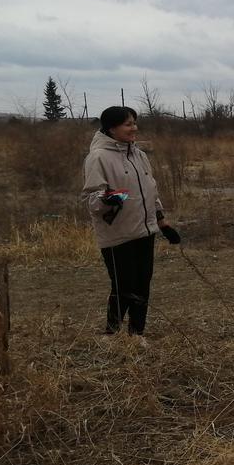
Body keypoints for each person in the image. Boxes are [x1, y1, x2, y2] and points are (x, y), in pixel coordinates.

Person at [81, 106, 179, 339]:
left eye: (134, 122)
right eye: (128, 124)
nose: (134, 128)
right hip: (118, 234)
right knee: (123, 286)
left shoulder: (139, 155)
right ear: (112, 128)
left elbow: (150, 193)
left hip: (145, 232)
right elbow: (91, 200)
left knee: (142, 284)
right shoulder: (98, 157)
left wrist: (162, 222)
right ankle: (111, 333)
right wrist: (112, 198)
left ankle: (137, 334)